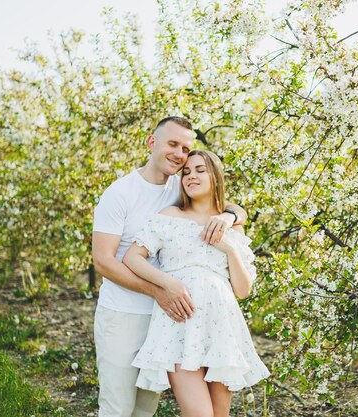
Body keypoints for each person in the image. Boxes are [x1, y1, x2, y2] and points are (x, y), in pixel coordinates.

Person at [92, 116, 246, 417]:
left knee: (145, 408)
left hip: (165, 319)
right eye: (172, 144)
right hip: (124, 314)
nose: (179, 154)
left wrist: (230, 218)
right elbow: (104, 261)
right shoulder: (120, 193)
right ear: (152, 142)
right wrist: (160, 290)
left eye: (186, 148)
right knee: (118, 406)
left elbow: (224, 203)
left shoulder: (181, 186)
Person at [123, 150, 269, 417]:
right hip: (179, 326)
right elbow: (133, 258)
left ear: (215, 176)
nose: (191, 176)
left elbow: (243, 290)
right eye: (186, 172)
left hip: (221, 328)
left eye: (200, 170)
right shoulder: (169, 216)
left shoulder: (231, 225)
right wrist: (167, 283)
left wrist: (230, 250)